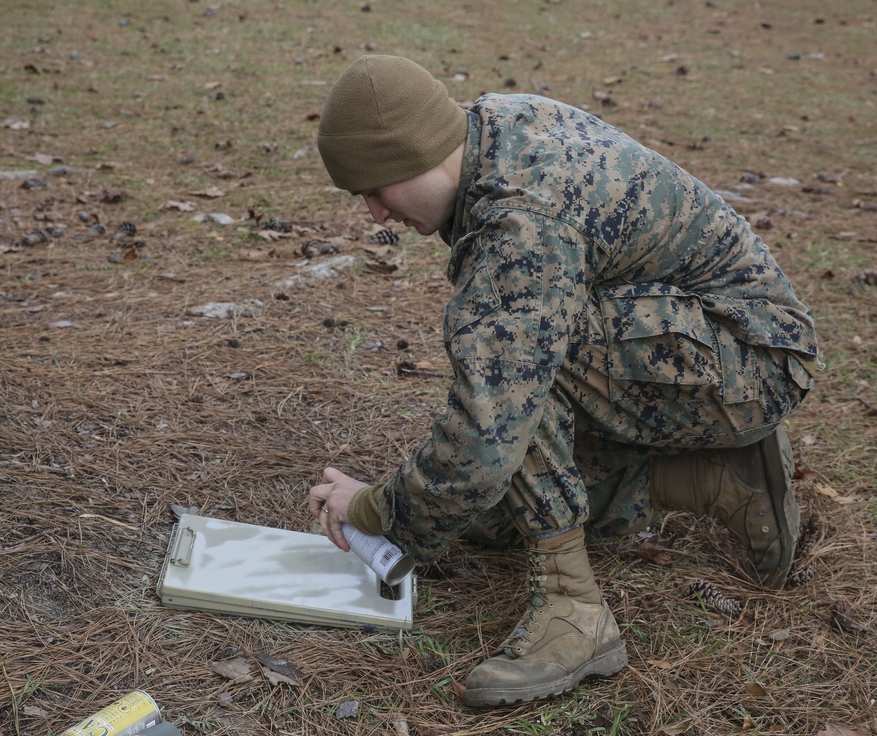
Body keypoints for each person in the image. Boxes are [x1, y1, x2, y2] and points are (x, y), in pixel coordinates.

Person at [307, 55, 820, 708]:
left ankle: (574, 610)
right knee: (492, 521)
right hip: (718, 341)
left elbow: (482, 438)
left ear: (419, 153)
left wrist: (376, 509)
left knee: (517, 366)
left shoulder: (520, 224)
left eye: (377, 187)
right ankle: (719, 479)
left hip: (751, 358)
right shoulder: (489, 130)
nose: (376, 214)